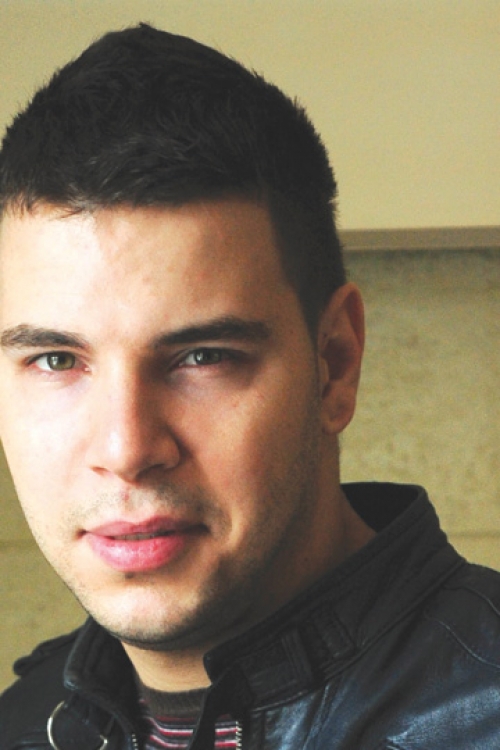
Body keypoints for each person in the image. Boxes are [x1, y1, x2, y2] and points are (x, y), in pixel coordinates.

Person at [0, 22, 499, 750]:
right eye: (55, 360)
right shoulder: (23, 721)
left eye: (202, 356)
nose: (126, 449)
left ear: (335, 362)